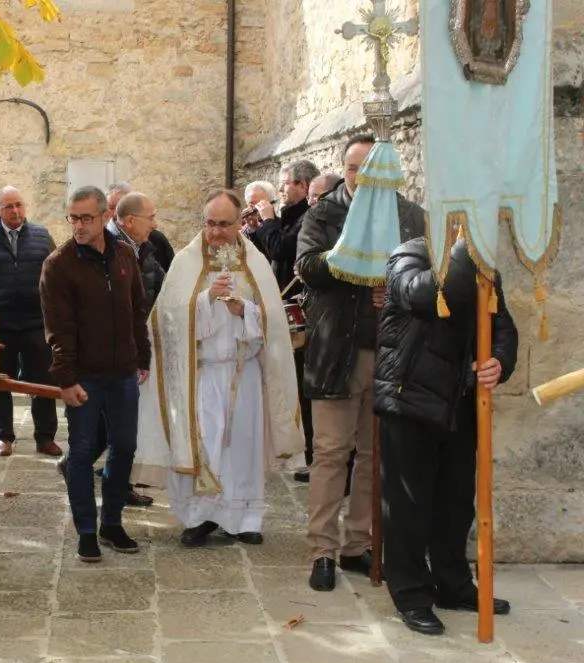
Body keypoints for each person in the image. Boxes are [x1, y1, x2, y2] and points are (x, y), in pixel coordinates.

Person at [135, 190, 304, 548]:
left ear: (239, 223)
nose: (215, 232)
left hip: (244, 373)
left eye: (223, 224)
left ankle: (243, 518)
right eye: (210, 223)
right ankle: (199, 518)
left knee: (242, 447)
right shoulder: (186, 261)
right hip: (203, 374)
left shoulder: (254, 262)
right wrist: (205, 302)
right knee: (206, 446)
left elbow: (273, 323)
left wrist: (245, 311)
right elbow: (166, 320)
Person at [296, 133, 426, 591]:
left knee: (375, 454)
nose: (361, 176)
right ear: (345, 171)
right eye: (353, 168)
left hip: (391, 354)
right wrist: (355, 260)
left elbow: (428, 277)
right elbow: (307, 267)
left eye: (370, 167)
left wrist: (396, 285)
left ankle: (358, 544)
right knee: (331, 453)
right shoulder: (324, 213)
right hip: (336, 351)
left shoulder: (410, 215)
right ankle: (322, 550)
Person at [376, 237, 517, 635]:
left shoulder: (482, 266)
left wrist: (499, 362)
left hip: (458, 403)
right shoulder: (409, 253)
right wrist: (463, 249)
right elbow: (429, 295)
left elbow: (502, 324)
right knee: (408, 507)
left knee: (456, 504)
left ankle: (453, 586)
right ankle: (411, 593)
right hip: (410, 399)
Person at [40, 186, 151, 562]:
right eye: (73, 217)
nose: (79, 225)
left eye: (86, 217)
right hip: (84, 376)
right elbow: (58, 329)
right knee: (83, 452)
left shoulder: (124, 256)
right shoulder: (59, 264)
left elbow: (137, 308)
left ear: (106, 216)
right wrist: (66, 379)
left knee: (125, 448)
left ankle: (112, 522)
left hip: (123, 372)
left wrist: (143, 357)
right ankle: (86, 530)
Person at [0, 186, 61, 458]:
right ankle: (3, 436)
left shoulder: (42, 236)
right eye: (8, 207)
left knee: (43, 381)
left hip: (35, 322)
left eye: (19, 204)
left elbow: (55, 272)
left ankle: (45, 437)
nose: (15, 211)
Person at [250, 161, 320, 483]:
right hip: (282, 305)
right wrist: (254, 231)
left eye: (285, 184)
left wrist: (266, 222)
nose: (280, 190)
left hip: (301, 310)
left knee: (302, 384)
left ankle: (308, 453)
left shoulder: (308, 218)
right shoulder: (292, 217)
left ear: (302, 187)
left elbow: (281, 245)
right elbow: (272, 251)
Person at [107, 182, 175, 271]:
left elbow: (169, 278)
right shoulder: (104, 244)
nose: (117, 213)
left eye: (123, 208)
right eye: (111, 207)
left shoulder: (155, 240)